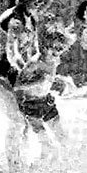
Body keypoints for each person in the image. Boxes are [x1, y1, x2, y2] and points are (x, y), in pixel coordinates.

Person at [0, 0, 52, 172]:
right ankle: (14, 168)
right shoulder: (15, 20)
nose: (39, 1)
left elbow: (34, 50)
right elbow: (12, 53)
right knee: (17, 120)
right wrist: (27, 71)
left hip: (14, 75)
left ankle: (18, 160)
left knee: (26, 120)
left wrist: (41, 68)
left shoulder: (32, 19)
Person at [14, 29, 77, 163]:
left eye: (60, 49)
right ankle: (40, 166)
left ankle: (69, 163)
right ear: (45, 46)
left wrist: (59, 81)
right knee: (45, 141)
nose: (56, 52)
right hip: (30, 105)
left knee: (62, 136)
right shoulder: (35, 63)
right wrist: (38, 82)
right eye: (52, 48)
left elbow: (49, 79)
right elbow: (18, 86)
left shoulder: (55, 60)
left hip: (46, 102)